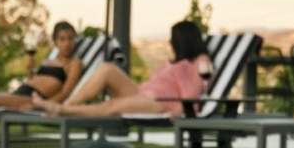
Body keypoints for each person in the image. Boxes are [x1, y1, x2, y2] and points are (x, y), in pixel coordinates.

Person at [31, 20, 212, 118]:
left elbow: (196, 91)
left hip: (160, 102)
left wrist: (180, 111)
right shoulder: (177, 61)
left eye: (173, 39)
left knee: (112, 106)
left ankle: (62, 111)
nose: (170, 43)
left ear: (182, 40)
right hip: (143, 93)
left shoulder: (200, 61)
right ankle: (67, 105)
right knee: (107, 68)